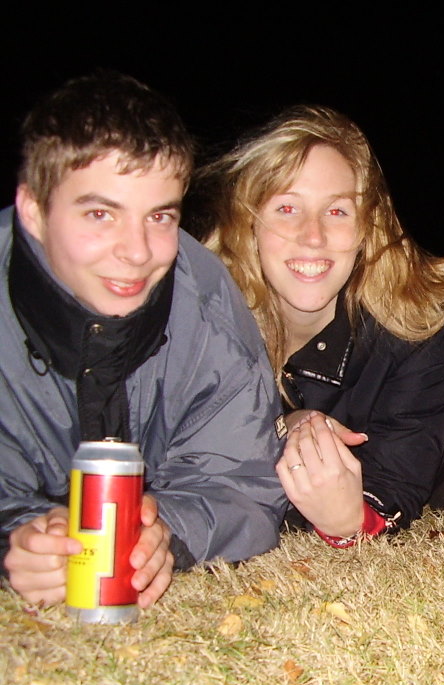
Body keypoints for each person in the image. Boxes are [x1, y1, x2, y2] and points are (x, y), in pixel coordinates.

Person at [0, 72, 285, 607]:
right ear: (33, 210)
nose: (136, 251)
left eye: (159, 216)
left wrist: (167, 531)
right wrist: (16, 540)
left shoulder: (205, 301)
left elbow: (245, 480)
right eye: (100, 214)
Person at [202, 106, 444, 547]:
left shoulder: (410, 332)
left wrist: (351, 518)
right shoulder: (203, 322)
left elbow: (397, 483)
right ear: (248, 224)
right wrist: (283, 427)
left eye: (337, 211)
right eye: (287, 208)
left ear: (366, 228)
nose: (313, 235)